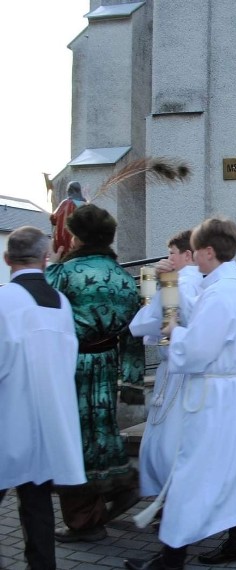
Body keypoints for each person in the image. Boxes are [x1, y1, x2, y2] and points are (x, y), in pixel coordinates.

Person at [124, 217, 236, 570]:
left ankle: (171, 560)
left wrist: (173, 332)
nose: (189, 261)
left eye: (192, 253)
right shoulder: (223, 283)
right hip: (221, 390)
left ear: (207, 251)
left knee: (193, 473)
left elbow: (197, 349)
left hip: (211, 392)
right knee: (227, 469)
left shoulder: (221, 291)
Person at [45, 204, 143, 543]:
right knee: (102, 429)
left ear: (76, 235)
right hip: (107, 363)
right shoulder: (124, 278)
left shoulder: (64, 273)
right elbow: (133, 333)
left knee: (72, 436)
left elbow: (40, 312)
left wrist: (52, 262)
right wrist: (131, 378)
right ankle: (121, 484)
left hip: (71, 365)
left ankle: (84, 520)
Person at [0, 226, 85, 570]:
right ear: (46, 258)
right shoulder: (61, 303)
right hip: (48, 418)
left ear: (7, 259)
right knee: (36, 502)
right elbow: (68, 359)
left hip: (9, 415)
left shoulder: (4, 300)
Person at [129, 230, 203, 506]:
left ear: (187, 255)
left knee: (170, 439)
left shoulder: (184, 284)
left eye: (172, 253)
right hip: (173, 367)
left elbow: (146, 324)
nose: (166, 258)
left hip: (180, 371)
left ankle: (174, 498)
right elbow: (156, 327)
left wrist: (161, 284)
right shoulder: (182, 282)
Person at [49, 180, 87, 255]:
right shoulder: (85, 205)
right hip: (78, 245)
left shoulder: (65, 203)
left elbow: (53, 219)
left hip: (62, 244)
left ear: (70, 190)